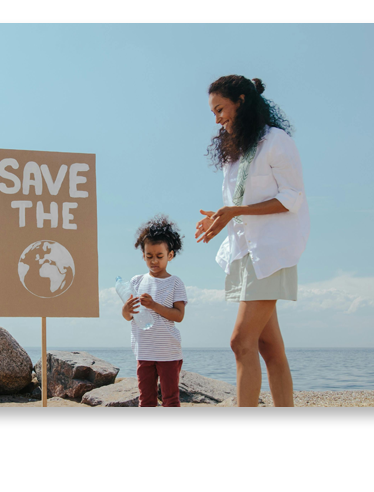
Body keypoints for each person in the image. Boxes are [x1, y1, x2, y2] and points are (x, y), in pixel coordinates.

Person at [194, 75, 309, 407]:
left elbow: (292, 198)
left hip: (272, 252)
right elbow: (240, 205)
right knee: (268, 347)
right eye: (213, 113)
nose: (217, 119)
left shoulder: (277, 141)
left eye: (220, 109)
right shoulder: (237, 152)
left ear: (241, 101)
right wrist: (221, 215)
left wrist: (234, 210)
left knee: (240, 342)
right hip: (245, 254)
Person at [121, 215, 188, 407]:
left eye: (159, 256)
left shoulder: (175, 283)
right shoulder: (136, 281)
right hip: (144, 351)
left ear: (170, 255)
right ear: (143, 255)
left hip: (168, 352)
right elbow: (128, 317)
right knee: (146, 400)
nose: (154, 261)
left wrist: (154, 306)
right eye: (149, 256)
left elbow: (179, 315)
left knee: (171, 399)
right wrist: (126, 309)